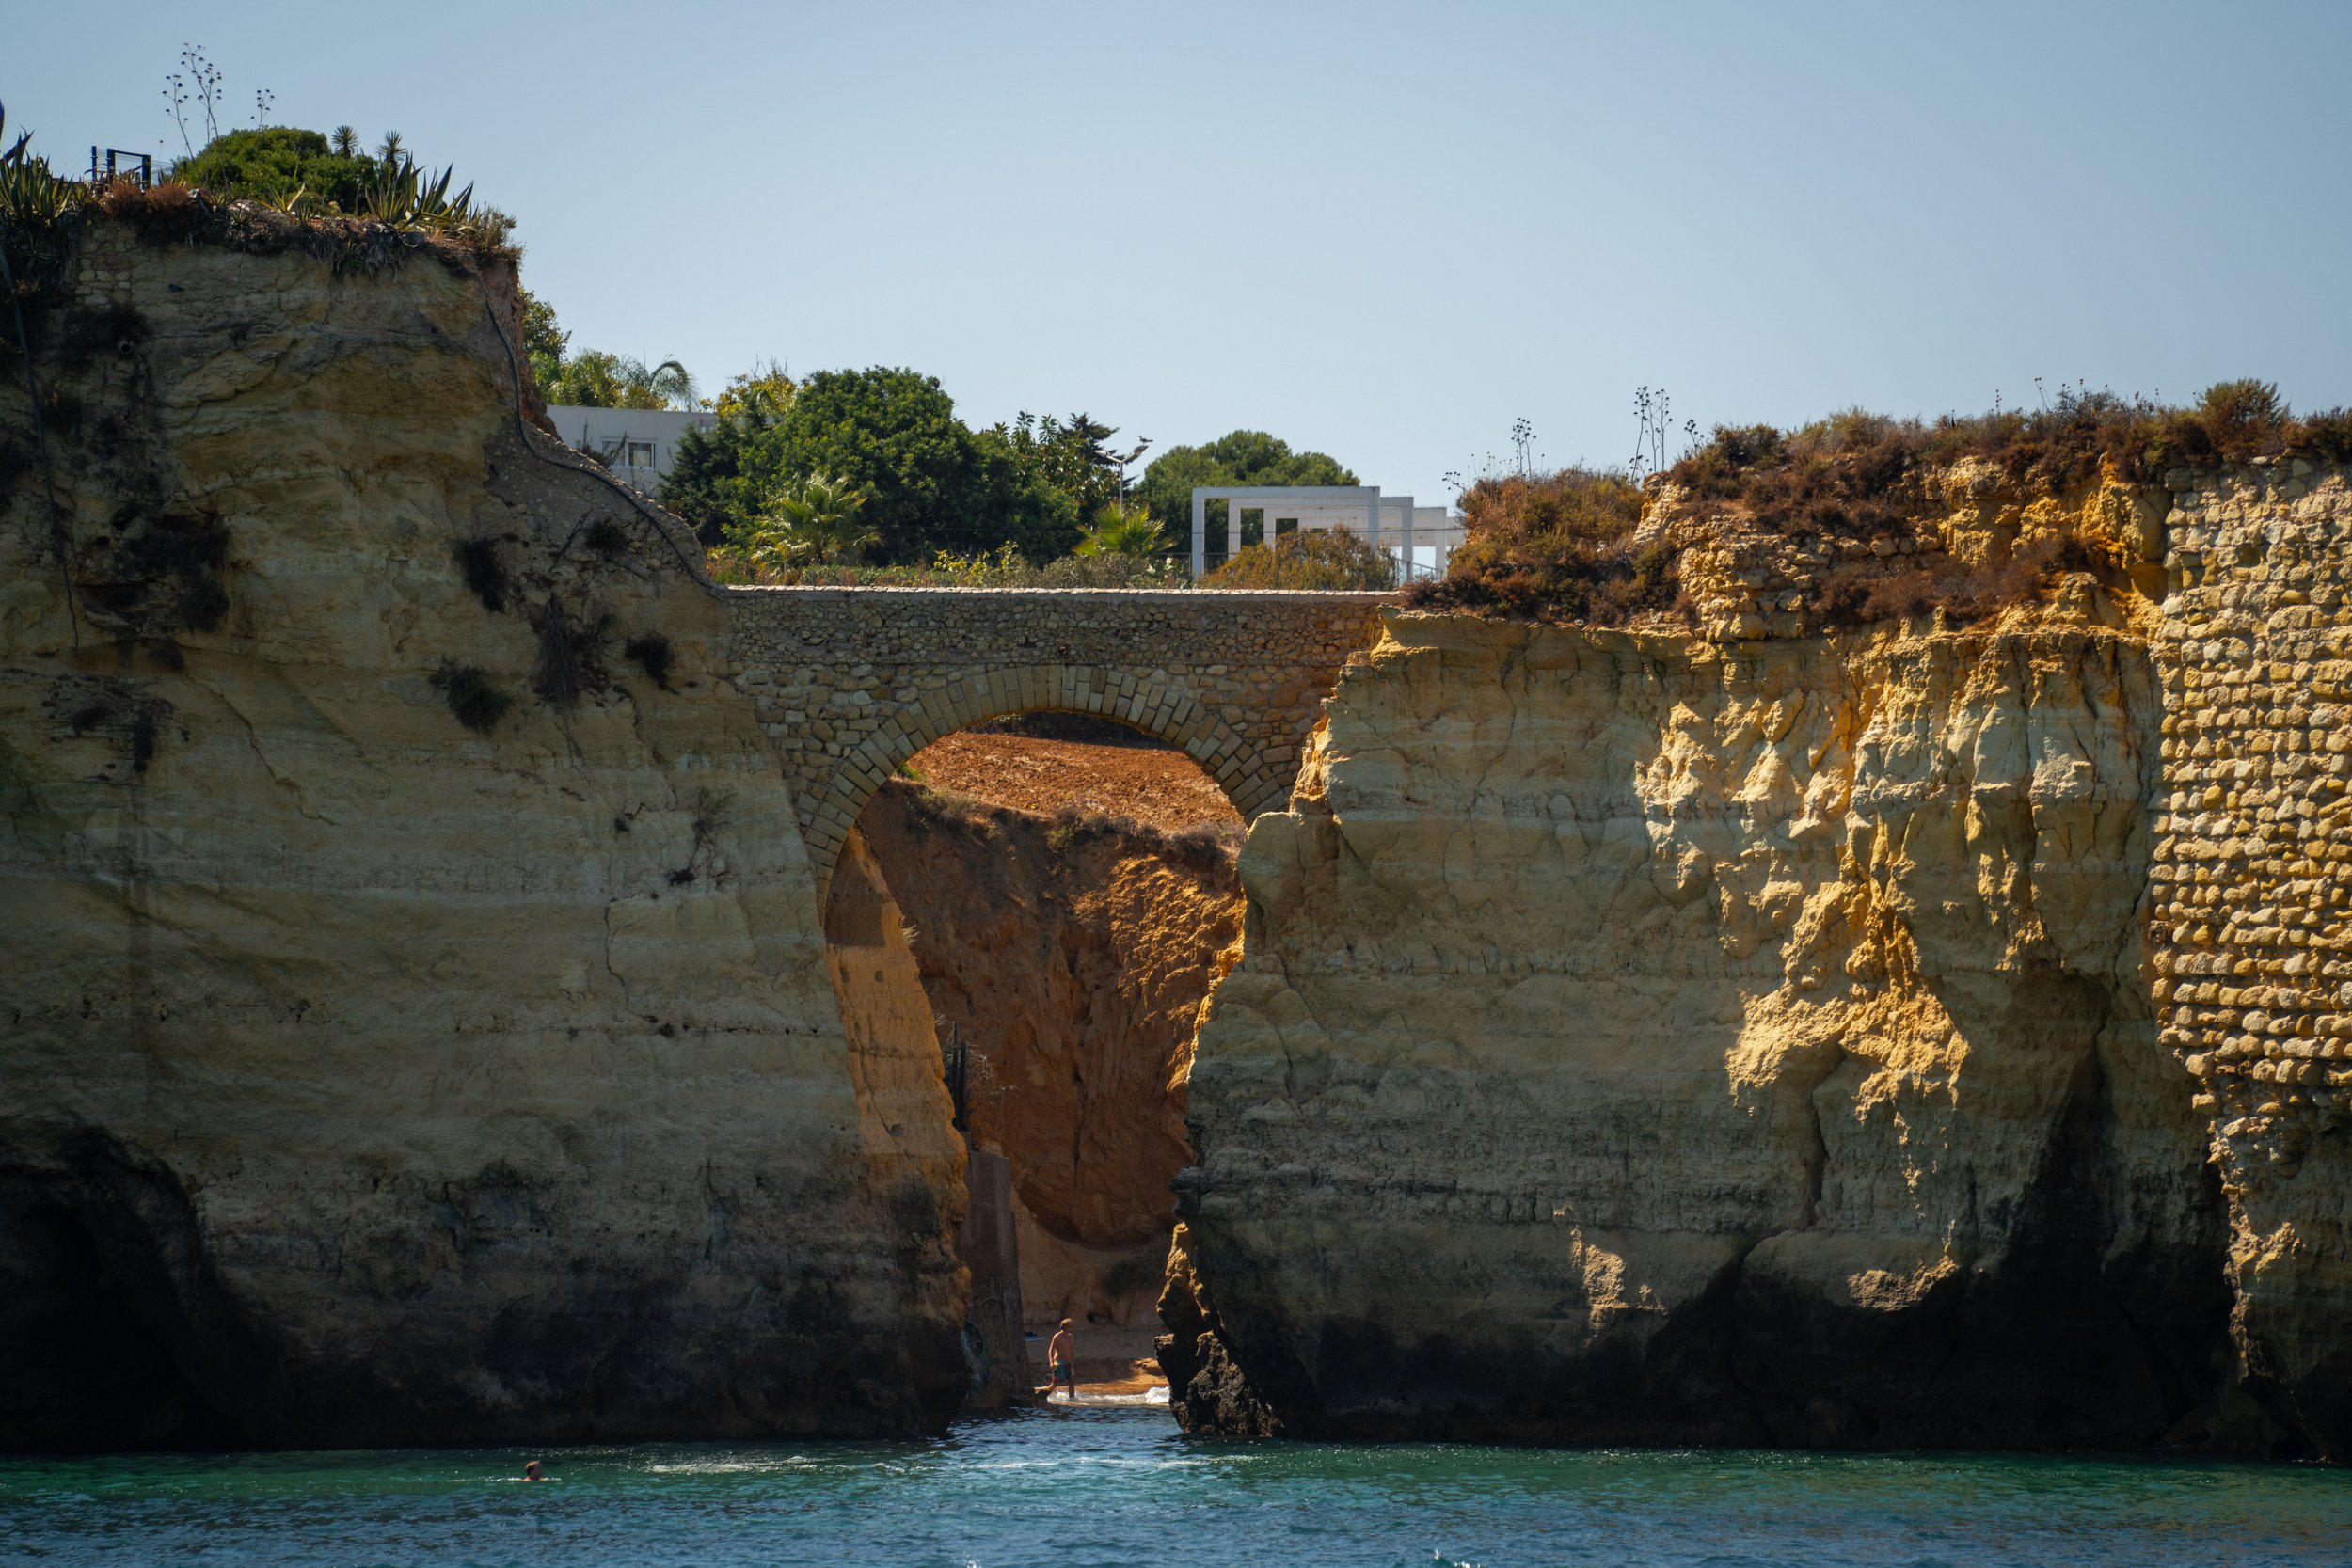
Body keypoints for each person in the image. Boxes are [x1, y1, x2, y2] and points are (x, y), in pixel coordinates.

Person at [1043, 1319, 1076, 1402]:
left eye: (1071, 1326)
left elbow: (1071, 1350)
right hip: (1058, 1362)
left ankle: (1072, 1400)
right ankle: (1043, 1397)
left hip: (1068, 1362)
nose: (1071, 1328)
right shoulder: (1057, 1336)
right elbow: (1051, 1349)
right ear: (1064, 1326)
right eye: (1070, 1326)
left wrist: (1072, 1363)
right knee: (1054, 1384)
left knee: (1071, 1381)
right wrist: (1051, 1362)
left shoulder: (1071, 1337)